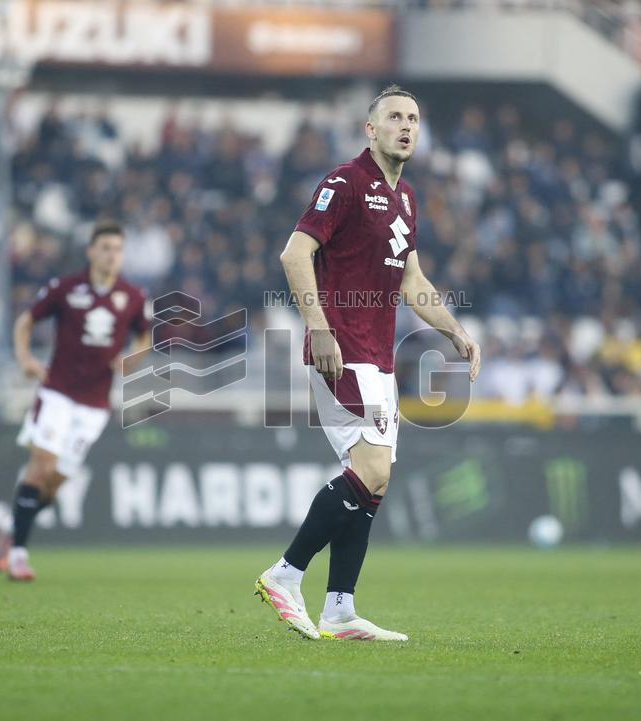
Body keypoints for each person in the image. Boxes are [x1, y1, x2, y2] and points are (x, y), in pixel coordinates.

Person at [255, 86, 482, 640]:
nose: (406, 126)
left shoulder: (405, 199)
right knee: (373, 469)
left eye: (413, 119)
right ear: (370, 129)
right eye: (395, 117)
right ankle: (285, 575)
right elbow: (295, 253)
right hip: (341, 349)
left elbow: (412, 280)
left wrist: (455, 329)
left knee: (374, 483)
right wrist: (318, 327)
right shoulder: (345, 182)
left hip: (377, 357)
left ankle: (340, 608)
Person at [0, 220, 150, 581]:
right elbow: (25, 321)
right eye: (106, 248)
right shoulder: (65, 289)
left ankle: (10, 523)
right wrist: (25, 359)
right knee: (42, 466)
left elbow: (145, 337)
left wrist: (131, 359)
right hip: (57, 392)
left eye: (117, 249)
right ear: (91, 252)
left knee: (54, 484)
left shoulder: (133, 296)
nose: (112, 255)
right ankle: (18, 555)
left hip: (94, 403)